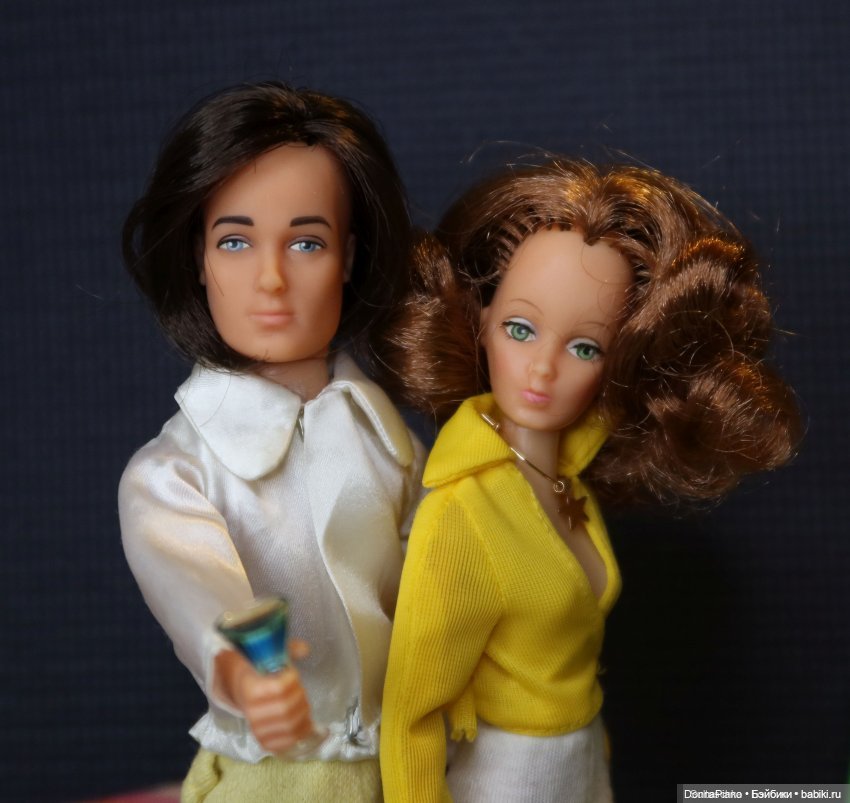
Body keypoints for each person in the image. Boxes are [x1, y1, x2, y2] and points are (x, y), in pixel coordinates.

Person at [379, 159, 801, 802]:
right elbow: (412, 716)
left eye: (585, 347)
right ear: (481, 321)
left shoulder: (567, 481)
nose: (543, 369)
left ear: (618, 359)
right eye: (521, 329)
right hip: (505, 778)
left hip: (579, 768)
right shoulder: (462, 514)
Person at [119, 81, 425, 801]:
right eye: (234, 241)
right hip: (271, 777)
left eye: (306, 242)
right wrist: (242, 674)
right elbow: (200, 595)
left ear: (347, 257)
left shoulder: (393, 446)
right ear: (199, 259)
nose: (271, 278)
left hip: (407, 769)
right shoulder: (174, 473)